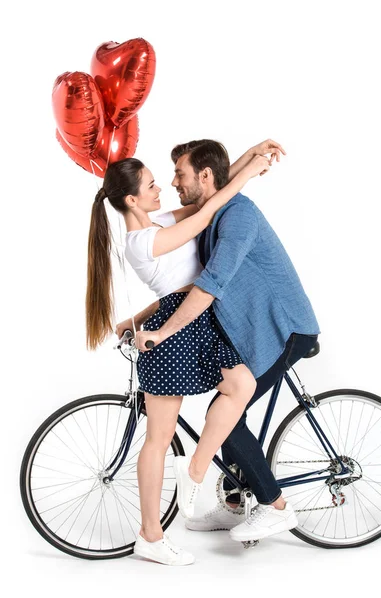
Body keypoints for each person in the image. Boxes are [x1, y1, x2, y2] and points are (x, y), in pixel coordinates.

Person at [86, 140, 279, 565]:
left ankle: (193, 470)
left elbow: (205, 199)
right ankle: (151, 534)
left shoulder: (155, 225)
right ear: (132, 199)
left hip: (195, 320)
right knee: (158, 438)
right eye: (153, 185)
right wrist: (247, 175)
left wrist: (246, 157)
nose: (164, 189)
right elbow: (207, 213)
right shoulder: (141, 240)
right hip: (177, 329)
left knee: (240, 385)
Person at [134, 139, 320, 546]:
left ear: (203, 176)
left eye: (180, 174)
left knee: (228, 416)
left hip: (283, 329)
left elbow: (209, 286)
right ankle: (236, 501)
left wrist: (163, 333)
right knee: (228, 412)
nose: (173, 183)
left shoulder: (240, 217)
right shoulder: (215, 209)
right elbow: (216, 189)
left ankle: (275, 508)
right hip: (250, 331)